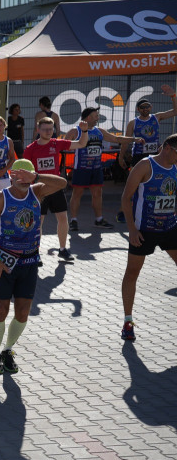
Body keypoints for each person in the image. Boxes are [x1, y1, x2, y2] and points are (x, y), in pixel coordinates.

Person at [0, 159, 68, 374]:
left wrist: (36, 178)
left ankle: (8, 350)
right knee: (1, 310)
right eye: (18, 176)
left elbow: (62, 183)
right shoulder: (0, 198)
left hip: (30, 262)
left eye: (26, 176)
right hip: (6, 262)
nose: (22, 180)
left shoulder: (37, 190)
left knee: (22, 312)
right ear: (11, 176)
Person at [119, 133, 177, 341]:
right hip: (144, 230)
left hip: (170, 228)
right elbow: (126, 198)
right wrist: (132, 230)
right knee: (133, 272)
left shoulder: (176, 168)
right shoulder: (145, 165)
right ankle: (128, 321)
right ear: (168, 147)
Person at [23, 116, 89, 261]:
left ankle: (63, 249)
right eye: (45, 129)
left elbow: (81, 144)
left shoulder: (57, 143)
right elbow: (24, 172)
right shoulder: (30, 149)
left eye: (50, 129)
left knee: (63, 218)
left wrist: (84, 131)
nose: (48, 131)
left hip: (56, 187)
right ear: (38, 130)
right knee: (38, 222)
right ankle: (35, 252)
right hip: (39, 190)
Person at [66, 107, 142, 231]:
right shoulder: (75, 131)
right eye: (96, 116)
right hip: (81, 168)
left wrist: (134, 139)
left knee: (97, 194)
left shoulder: (99, 131)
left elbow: (117, 139)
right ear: (88, 117)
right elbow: (64, 144)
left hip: (96, 168)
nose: (97, 118)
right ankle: (73, 221)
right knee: (77, 194)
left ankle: (99, 219)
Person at [122, 86, 177, 168]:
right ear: (138, 109)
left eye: (147, 106)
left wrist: (173, 96)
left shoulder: (157, 117)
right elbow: (125, 142)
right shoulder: (133, 123)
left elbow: (175, 111)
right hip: (138, 155)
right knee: (138, 178)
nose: (145, 109)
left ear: (151, 107)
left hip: (154, 154)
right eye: (142, 107)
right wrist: (120, 157)